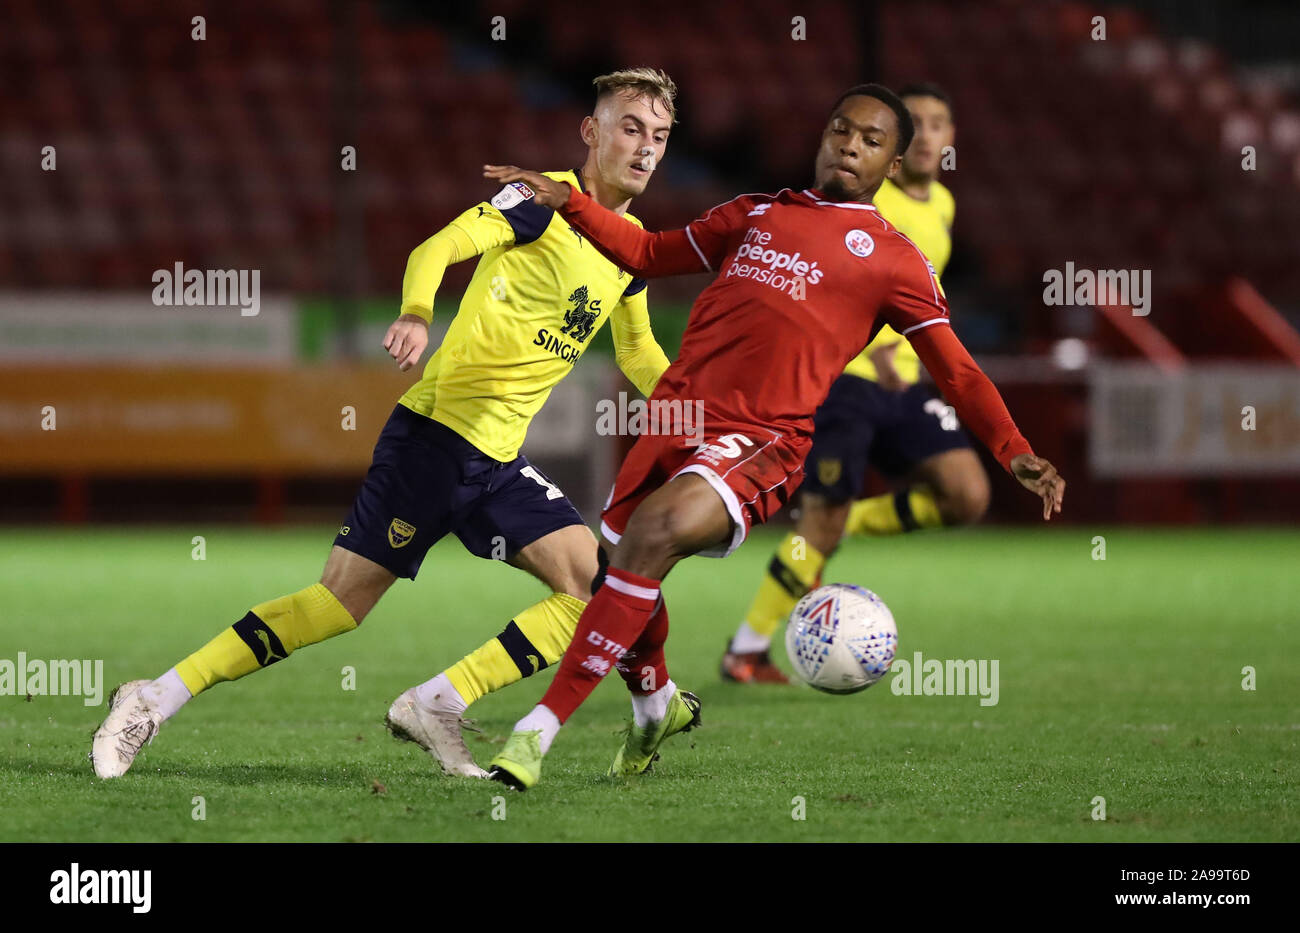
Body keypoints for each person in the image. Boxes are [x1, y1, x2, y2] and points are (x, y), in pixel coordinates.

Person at [91, 68, 679, 780]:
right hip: (433, 440)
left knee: (593, 588)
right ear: (591, 132)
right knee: (336, 605)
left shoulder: (629, 244)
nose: (645, 149)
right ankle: (153, 697)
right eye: (630, 128)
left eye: (659, 135)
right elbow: (434, 249)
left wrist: (697, 405)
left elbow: (640, 351)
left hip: (497, 460)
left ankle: (438, 700)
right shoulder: (538, 202)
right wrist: (416, 313)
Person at [479, 83, 1064, 790]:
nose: (851, 144)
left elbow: (959, 370)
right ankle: (654, 705)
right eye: (842, 129)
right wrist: (568, 200)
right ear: (823, 135)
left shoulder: (894, 258)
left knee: (655, 532)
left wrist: (1013, 448)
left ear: (893, 163)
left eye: (872, 140)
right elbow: (646, 252)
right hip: (675, 419)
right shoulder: (754, 212)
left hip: (763, 438)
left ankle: (535, 734)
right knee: (628, 567)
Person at [723, 81, 988, 683]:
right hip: (848, 377)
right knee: (818, 524)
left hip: (906, 384)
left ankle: (852, 521)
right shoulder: (866, 197)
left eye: (937, 122)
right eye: (913, 123)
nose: (926, 134)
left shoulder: (942, 206)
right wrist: (879, 343)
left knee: (966, 495)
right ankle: (746, 648)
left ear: (948, 139)